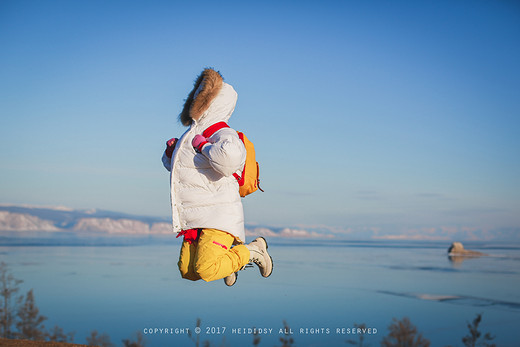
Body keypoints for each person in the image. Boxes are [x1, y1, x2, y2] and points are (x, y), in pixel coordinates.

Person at [162, 68, 273, 286]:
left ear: (212, 100)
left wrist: (203, 146)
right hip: (195, 216)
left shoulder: (222, 132)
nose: (196, 99)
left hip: (218, 213)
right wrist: (171, 153)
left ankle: (253, 251)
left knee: (206, 269)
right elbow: (178, 170)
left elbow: (229, 160)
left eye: (202, 95)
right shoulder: (191, 134)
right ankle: (228, 262)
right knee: (188, 271)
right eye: (196, 95)